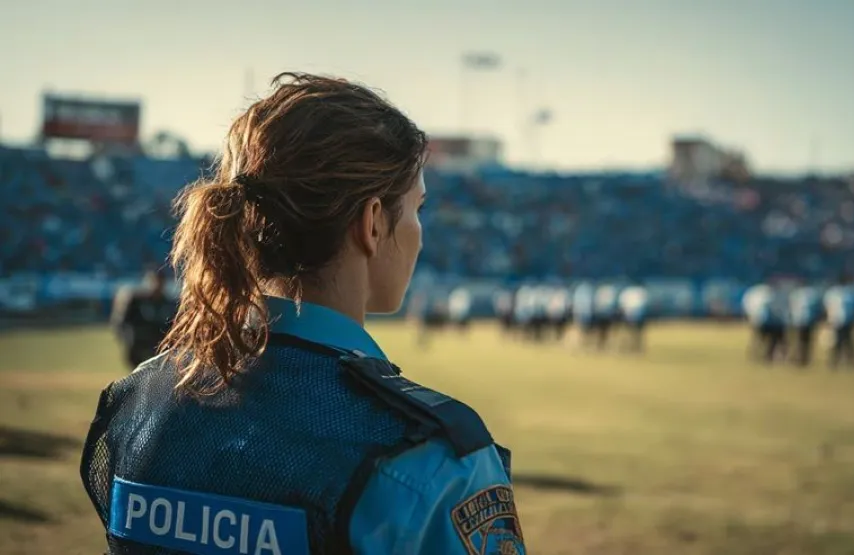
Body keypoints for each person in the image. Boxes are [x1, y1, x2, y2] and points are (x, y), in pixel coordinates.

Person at [80, 73, 525, 555]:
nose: (420, 231)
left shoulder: (135, 406)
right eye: (417, 208)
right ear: (373, 222)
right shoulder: (433, 459)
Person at [109, 268, 176, 369]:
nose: (157, 286)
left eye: (160, 282)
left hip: (158, 348)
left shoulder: (168, 303)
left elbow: (172, 326)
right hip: (138, 345)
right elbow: (121, 321)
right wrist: (126, 336)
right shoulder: (136, 301)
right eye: (154, 281)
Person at [823, 276, 854, 369]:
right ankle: (837, 361)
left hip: (844, 320)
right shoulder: (846, 293)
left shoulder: (837, 292)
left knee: (847, 341)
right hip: (840, 320)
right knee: (840, 341)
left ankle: (848, 360)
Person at [788, 282, 820, 367]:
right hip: (804, 321)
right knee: (803, 341)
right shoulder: (809, 294)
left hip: (801, 321)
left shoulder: (797, 295)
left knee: (801, 341)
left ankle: (801, 358)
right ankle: (800, 358)